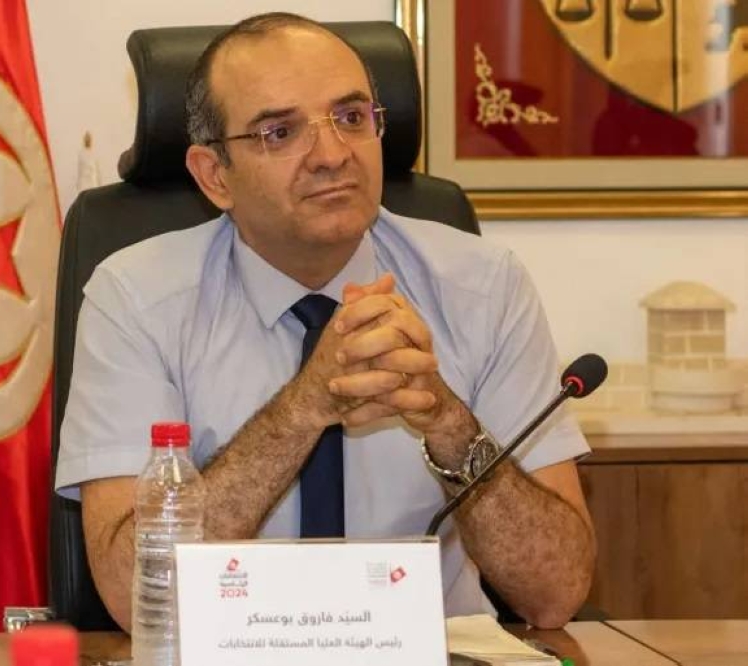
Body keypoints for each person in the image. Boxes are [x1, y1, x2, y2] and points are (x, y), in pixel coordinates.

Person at [55, 12, 595, 630]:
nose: (333, 155)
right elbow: (136, 595)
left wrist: (447, 421)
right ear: (214, 176)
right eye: (280, 132)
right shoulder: (137, 298)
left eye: (351, 117)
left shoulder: (483, 287)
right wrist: (304, 407)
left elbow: (555, 594)